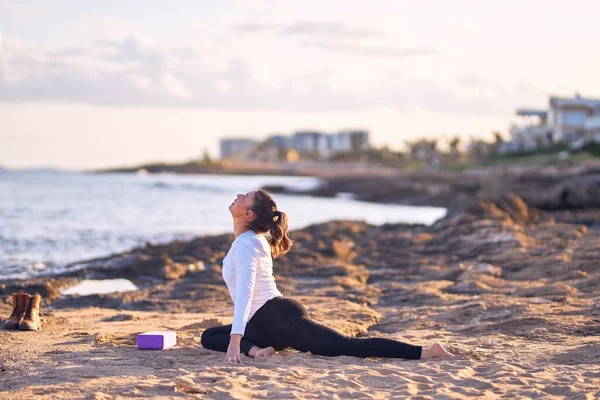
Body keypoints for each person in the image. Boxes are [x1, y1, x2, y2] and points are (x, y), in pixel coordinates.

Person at [201, 189, 454, 364]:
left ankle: (427, 352)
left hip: (279, 318)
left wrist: (235, 343)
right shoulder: (250, 241)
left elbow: (245, 293)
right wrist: (242, 340)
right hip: (262, 324)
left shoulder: (246, 245)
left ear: (249, 215)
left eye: (245, 197)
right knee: (209, 336)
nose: (238, 196)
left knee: (346, 346)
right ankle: (256, 350)